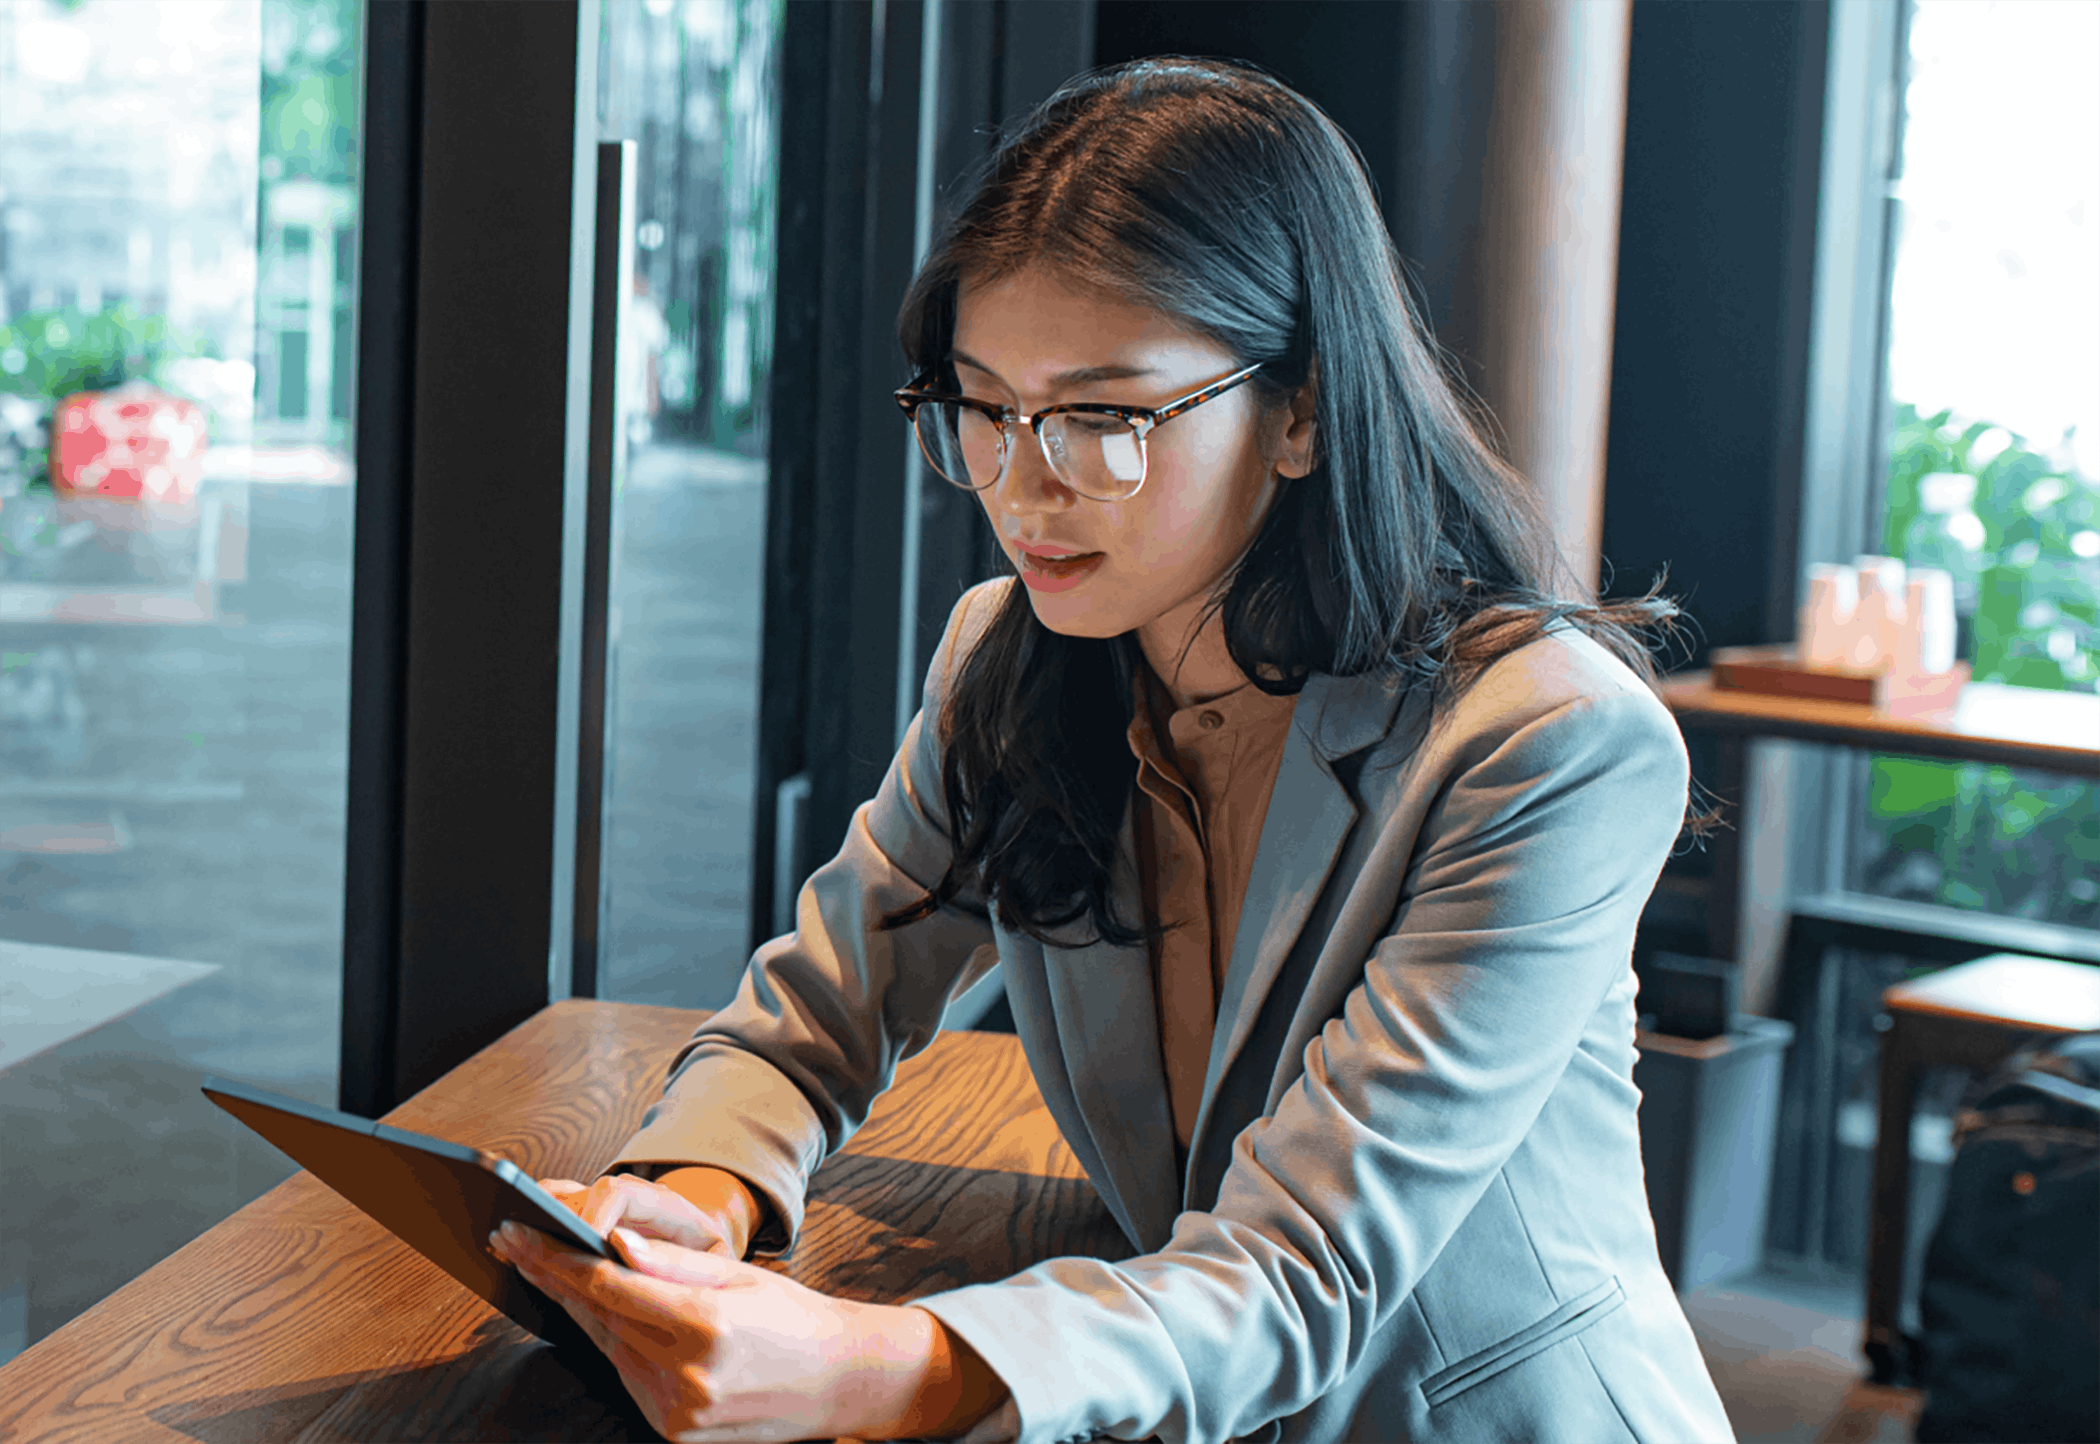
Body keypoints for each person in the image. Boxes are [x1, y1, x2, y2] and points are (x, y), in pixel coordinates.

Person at [487, 57, 1736, 1444]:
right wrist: (694, 1205)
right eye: (984, 406)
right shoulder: (1009, 660)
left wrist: (867, 1364)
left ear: (1304, 410)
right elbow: (818, 1012)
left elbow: (1304, 1270)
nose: (1025, 488)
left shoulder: (1546, 743)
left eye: (1101, 417)